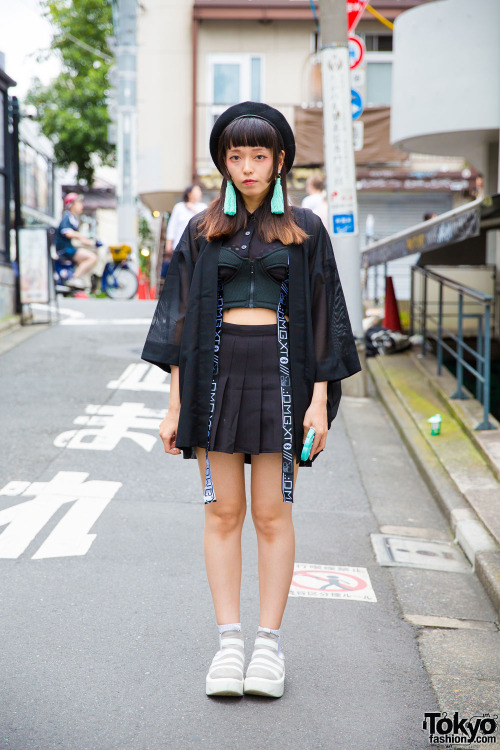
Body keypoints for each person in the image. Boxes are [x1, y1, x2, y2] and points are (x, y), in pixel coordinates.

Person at [141, 101, 361, 699]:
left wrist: (319, 401)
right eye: (234, 156)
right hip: (215, 377)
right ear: (223, 162)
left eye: (258, 156)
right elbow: (179, 324)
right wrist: (172, 406)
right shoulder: (202, 228)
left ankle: (269, 645)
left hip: (284, 377)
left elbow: (324, 320)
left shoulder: (307, 229)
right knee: (222, 512)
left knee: (272, 513)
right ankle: (228, 643)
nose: (246, 167)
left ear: (280, 160)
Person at [161, 185, 207, 279]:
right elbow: (172, 225)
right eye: (197, 191)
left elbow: (205, 221)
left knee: (194, 272)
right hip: (180, 245)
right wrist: (169, 243)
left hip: (197, 246)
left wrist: (193, 209)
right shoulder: (179, 207)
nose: (200, 193)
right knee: (181, 272)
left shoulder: (203, 207)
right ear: (189, 194)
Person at [54, 193, 98, 289]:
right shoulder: (67, 217)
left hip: (69, 248)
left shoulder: (73, 218)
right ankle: (74, 278)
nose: (81, 205)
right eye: (79, 203)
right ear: (71, 205)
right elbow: (67, 232)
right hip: (65, 249)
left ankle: (79, 279)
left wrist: (88, 241)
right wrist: (81, 237)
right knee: (92, 257)